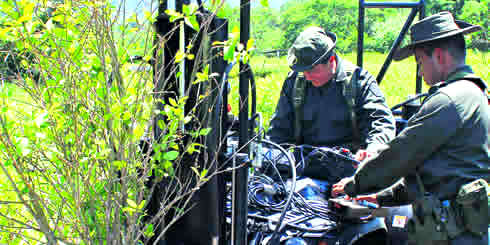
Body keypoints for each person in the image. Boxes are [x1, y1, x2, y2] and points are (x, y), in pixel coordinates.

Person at [332, 12, 489, 245]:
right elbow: (435, 176)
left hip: (451, 235)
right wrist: (379, 196)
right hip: (461, 230)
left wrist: (354, 184)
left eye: (419, 61)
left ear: (438, 56)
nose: (419, 71)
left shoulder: (449, 100)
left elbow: (401, 154)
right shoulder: (475, 94)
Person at [266, 26, 396, 164]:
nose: (307, 77)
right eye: (304, 71)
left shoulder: (358, 80)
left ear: (331, 60)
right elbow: (278, 131)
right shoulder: (295, 82)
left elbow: (381, 122)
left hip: (349, 165)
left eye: (312, 70)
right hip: (304, 167)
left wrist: (372, 151)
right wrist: (270, 158)